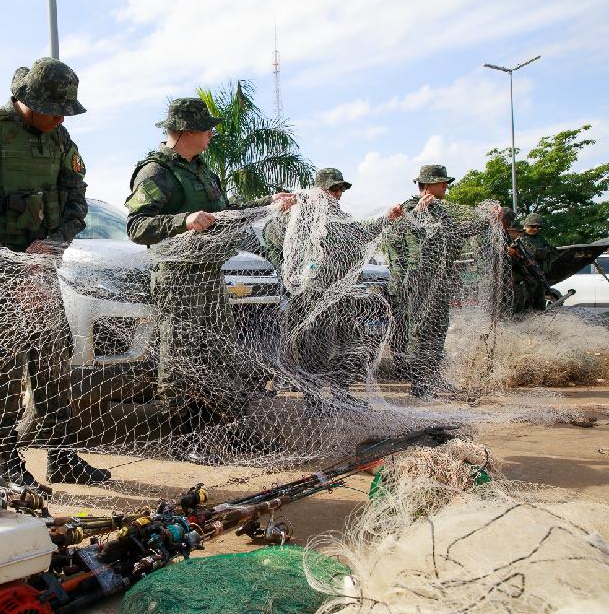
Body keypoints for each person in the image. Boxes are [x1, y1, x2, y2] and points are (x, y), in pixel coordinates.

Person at [0, 58, 109, 488]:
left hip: (41, 268)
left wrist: (54, 244)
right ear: (27, 101)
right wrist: (12, 267)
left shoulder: (59, 137)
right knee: (1, 365)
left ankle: (61, 456)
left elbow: (77, 203)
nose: (61, 117)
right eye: (54, 109)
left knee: (52, 361)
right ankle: (8, 466)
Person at [125, 97, 292, 456]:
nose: (212, 134)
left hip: (209, 274)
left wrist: (268, 203)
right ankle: (184, 441)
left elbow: (227, 211)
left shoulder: (201, 169)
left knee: (219, 355)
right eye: (206, 128)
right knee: (182, 358)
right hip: (177, 277)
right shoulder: (156, 172)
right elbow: (137, 226)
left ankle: (229, 433)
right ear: (185, 131)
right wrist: (181, 221)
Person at [283, 168, 402, 409]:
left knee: (347, 343)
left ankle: (341, 392)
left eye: (340, 189)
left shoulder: (340, 216)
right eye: (333, 189)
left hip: (342, 292)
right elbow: (287, 242)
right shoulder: (305, 214)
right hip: (315, 294)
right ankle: (314, 399)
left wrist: (387, 218)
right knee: (316, 347)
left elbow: (362, 234)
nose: (338, 194)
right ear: (320, 190)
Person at [383, 164, 500, 397]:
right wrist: (417, 213)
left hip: (439, 281)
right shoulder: (407, 209)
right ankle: (419, 384)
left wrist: (490, 221)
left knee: (438, 330)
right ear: (426, 185)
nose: (446, 185)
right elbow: (394, 238)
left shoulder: (444, 211)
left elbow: (461, 231)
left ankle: (432, 378)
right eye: (441, 182)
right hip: (416, 282)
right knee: (420, 331)